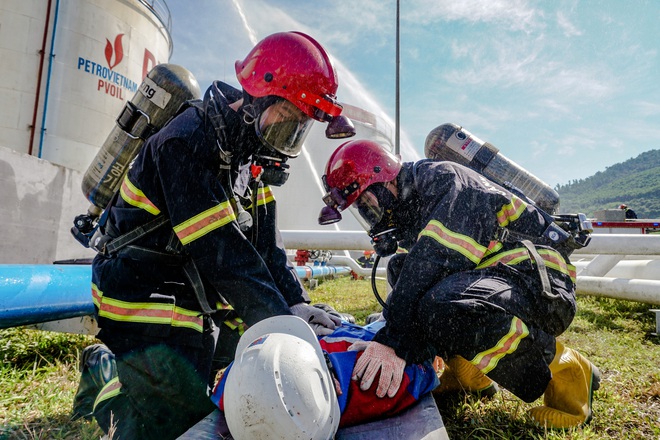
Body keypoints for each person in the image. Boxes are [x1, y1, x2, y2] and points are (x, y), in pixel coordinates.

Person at [73, 31, 355, 439]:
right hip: (140, 294)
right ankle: (104, 380)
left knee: (228, 369)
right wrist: (284, 325)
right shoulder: (185, 142)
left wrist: (298, 304)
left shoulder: (248, 160)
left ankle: (146, 377)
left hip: (188, 291)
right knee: (180, 426)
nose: (287, 142)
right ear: (258, 96)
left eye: (297, 132)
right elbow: (221, 252)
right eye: (287, 123)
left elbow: (267, 252)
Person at [317, 139, 600, 429]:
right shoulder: (416, 204)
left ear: (384, 183)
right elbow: (415, 279)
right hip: (503, 275)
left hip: (540, 280)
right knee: (404, 274)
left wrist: (391, 341)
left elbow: (435, 260)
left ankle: (569, 374)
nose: (371, 219)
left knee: (443, 304)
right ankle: (469, 377)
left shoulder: (450, 182)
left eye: (368, 205)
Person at [210, 315, 439, 439]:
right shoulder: (371, 380)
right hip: (364, 336)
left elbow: (225, 387)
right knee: (377, 322)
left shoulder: (238, 391)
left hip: (341, 338)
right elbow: (423, 370)